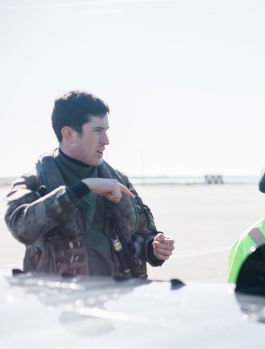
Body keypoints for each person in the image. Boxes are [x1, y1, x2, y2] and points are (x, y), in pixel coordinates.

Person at [4, 90, 174, 277]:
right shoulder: (35, 182)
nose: (106, 141)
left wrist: (154, 248)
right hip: (61, 300)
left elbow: (141, 235)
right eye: (97, 131)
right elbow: (20, 226)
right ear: (68, 134)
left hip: (118, 297)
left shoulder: (118, 180)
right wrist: (82, 188)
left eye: (106, 131)